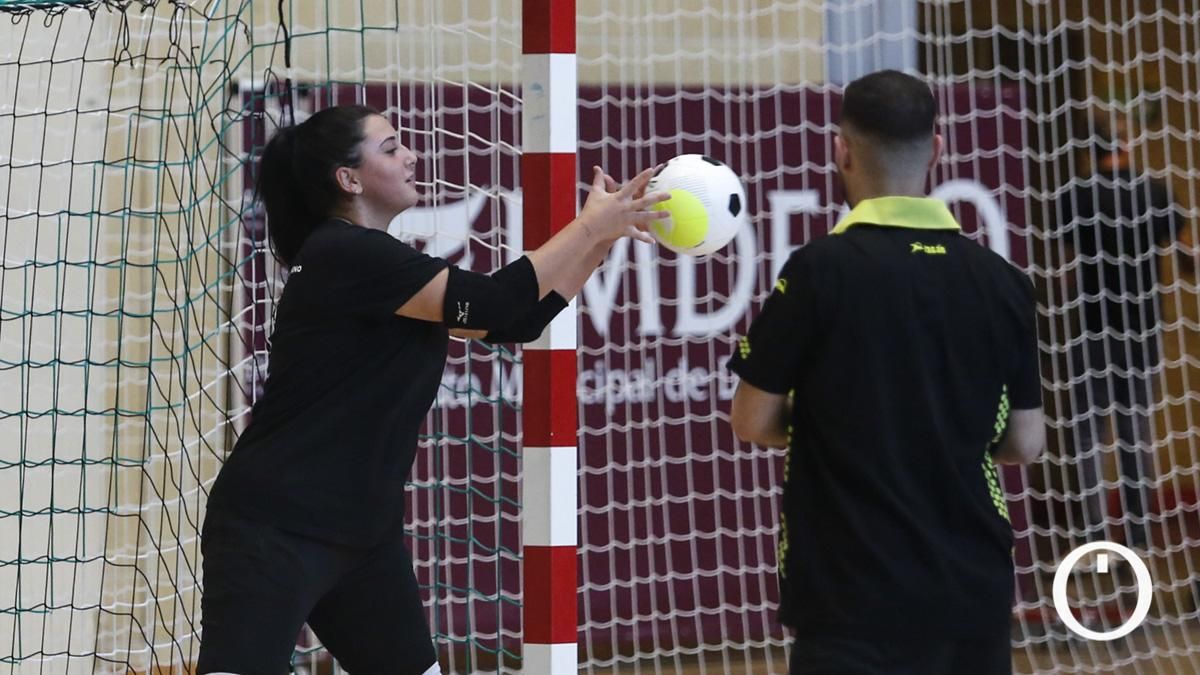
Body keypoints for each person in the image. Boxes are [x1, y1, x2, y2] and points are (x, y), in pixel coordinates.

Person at [196, 104, 668, 675]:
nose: (411, 156)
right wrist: (590, 225)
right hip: (275, 527)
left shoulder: (370, 261)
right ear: (349, 179)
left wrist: (600, 240)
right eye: (391, 148)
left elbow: (510, 322)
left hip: (362, 536)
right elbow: (495, 300)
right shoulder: (344, 252)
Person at [726, 70, 1044, 675]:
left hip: (849, 602)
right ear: (938, 150)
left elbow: (751, 419)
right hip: (971, 595)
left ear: (840, 149)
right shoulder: (1004, 284)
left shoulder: (818, 272)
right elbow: (1026, 442)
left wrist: (842, 427)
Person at [1058, 111, 1179, 551]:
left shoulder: (1077, 195)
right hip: (1142, 328)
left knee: (1089, 433)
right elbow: (1185, 253)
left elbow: (1066, 270)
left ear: (1092, 151)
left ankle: (1093, 534)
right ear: (1127, 147)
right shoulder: (1156, 192)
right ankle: (1139, 535)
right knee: (1135, 431)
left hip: (1091, 326)